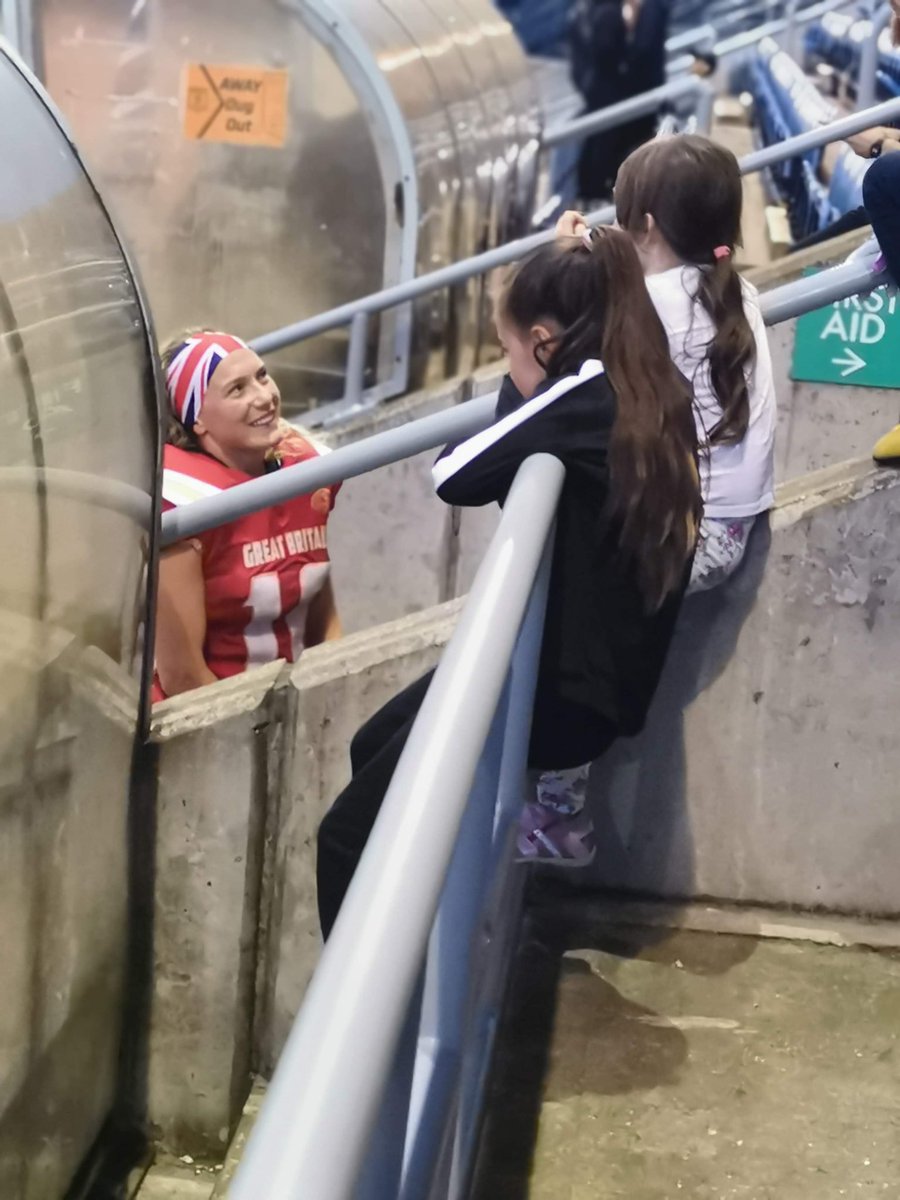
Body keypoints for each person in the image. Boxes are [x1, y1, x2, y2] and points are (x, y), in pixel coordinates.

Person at [316, 227, 701, 936]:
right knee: (374, 745)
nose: (505, 363)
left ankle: (367, 1024)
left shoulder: (587, 393)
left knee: (344, 837)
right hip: (587, 683)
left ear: (548, 343)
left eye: (507, 348)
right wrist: (533, 377)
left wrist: (527, 385)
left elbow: (454, 473)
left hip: (563, 697)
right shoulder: (644, 374)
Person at [536, 134, 777, 862]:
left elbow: (552, 372)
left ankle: (556, 813)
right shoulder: (739, 290)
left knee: (566, 607)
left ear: (642, 228)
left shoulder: (641, 303)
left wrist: (565, 262)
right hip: (730, 534)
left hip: (684, 543)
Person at [153, 330, 341, 701]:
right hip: (213, 720)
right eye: (237, 390)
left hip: (297, 704)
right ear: (198, 420)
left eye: (262, 375)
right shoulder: (183, 506)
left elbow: (322, 614)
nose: (265, 397)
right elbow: (184, 678)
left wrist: (333, 694)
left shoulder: (305, 471)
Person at [569, 0, 672, 203]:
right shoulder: (603, 12)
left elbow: (644, 55)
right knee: (605, 157)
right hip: (613, 103)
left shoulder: (649, 10)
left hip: (631, 104)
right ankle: (597, 197)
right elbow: (606, 54)